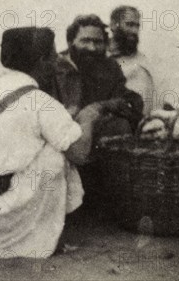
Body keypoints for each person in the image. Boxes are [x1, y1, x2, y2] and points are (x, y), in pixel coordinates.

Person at [0, 27, 114, 258]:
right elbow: (79, 153)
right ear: (41, 61)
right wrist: (89, 114)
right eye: (53, 56)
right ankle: (41, 234)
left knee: (44, 142)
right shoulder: (40, 101)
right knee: (56, 153)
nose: (57, 62)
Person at [51, 14, 143, 211]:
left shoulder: (109, 67)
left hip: (94, 135)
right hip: (61, 135)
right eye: (85, 40)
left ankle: (104, 200)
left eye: (98, 42)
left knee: (120, 126)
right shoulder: (55, 68)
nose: (92, 48)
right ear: (70, 41)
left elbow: (126, 100)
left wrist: (97, 108)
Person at [108, 6, 156, 115]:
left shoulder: (142, 63)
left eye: (137, 26)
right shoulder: (99, 54)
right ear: (113, 25)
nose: (134, 31)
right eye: (129, 25)